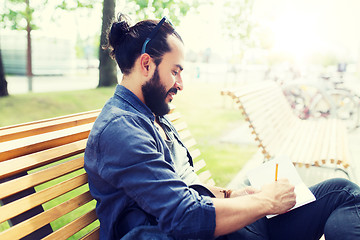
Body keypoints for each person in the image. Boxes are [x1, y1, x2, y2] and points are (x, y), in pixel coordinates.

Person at [84, 14, 360, 240]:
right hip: (200, 231)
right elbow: (184, 217)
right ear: (146, 64)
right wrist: (266, 202)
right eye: (175, 71)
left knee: (342, 192)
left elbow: (184, 185)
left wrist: (233, 195)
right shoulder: (120, 130)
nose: (180, 83)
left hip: (225, 223)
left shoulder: (152, 115)